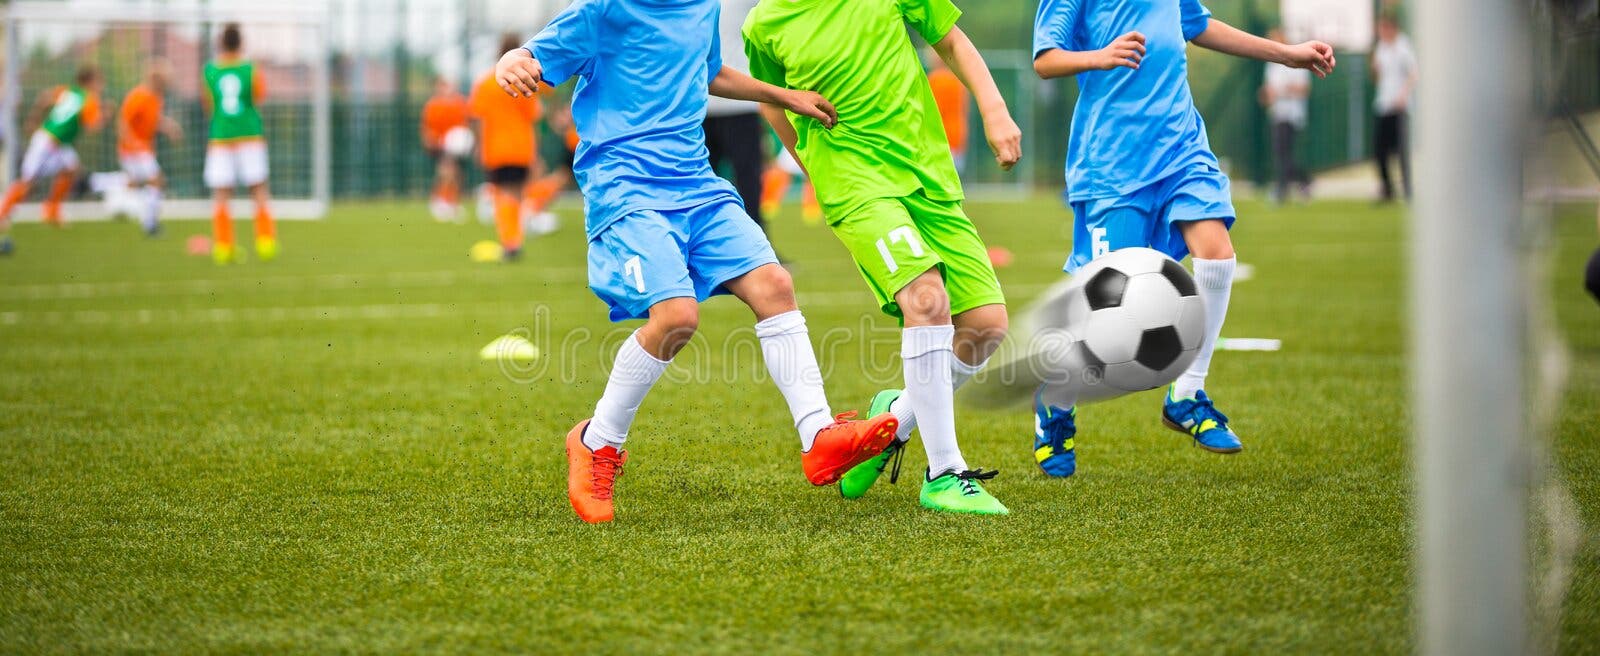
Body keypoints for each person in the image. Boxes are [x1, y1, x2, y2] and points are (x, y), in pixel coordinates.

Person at [495, 0, 899, 524]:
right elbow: (532, 54)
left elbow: (709, 73)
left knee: (775, 284)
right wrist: (511, 61)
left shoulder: (702, 7)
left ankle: (819, 436)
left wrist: (782, 96)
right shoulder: (604, 9)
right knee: (677, 317)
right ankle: (597, 442)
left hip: (697, 184)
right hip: (628, 189)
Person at [1030, 0, 1334, 474]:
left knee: (1216, 254)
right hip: (1112, 162)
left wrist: (1285, 54)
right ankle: (1057, 397)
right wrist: (1100, 55)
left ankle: (1188, 393)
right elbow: (1045, 59)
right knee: (1103, 309)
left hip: (1179, 147)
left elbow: (1199, 26)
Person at [745, 0, 1021, 514]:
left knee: (985, 325)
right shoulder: (763, 23)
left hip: (926, 173)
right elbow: (771, 100)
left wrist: (995, 111)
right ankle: (945, 474)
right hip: (855, 182)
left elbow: (952, 42)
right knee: (927, 297)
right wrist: (813, 168)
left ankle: (893, 418)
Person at [0, 65, 105, 253]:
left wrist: (33, 119)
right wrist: (107, 113)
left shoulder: (67, 91)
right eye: (98, 81)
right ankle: (2, 215)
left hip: (56, 142)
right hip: (48, 144)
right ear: (89, 81)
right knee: (28, 183)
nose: (100, 86)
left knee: (72, 169)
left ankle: (51, 211)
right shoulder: (90, 99)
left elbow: (44, 98)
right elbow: (94, 127)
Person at [203, 23, 276, 265]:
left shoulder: (210, 71)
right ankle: (265, 243)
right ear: (241, 43)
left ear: (220, 43)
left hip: (221, 136)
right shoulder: (250, 69)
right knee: (258, 189)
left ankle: (224, 247)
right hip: (249, 135)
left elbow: (208, 105)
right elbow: (258, 97)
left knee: (222, 194)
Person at [471, 34, 542, 261]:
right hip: (521, 146)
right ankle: (515, 240)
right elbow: (533, 117)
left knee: (502, 194)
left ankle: (510, 242)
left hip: (496, 147)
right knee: (517, 194)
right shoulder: (525, 80)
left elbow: (478, 118)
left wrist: (478, 146)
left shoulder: (486, 82)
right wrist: (535, 152)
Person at [704, 0, 771, 233]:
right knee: (697, 185)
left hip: (740, 103)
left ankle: (760, 247)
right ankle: (700, 248)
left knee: (749, 182)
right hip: (701, 104)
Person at [118, 60, 182, 237]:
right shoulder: (139, 96)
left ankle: (149, 222)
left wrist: (169, 127)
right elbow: (123, 123)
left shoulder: (156, 98)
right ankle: (150, 224)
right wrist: (133, 143)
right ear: (156, 80)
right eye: (165, 81)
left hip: (143, 150)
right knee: (155, 181)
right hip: (133, 151)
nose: (167, 84)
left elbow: (154, 120)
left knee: (139, 184)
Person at [1259, 26, 1311, 204]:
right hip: (1277, 113)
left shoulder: (1294, 61)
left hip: (1291, 114)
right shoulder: (1270, 65)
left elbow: (1303, 89)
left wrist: (1280, 92)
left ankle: (1285, 188)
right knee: (1281, 153)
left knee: (1285, 154)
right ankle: (1301, 182)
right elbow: (1269, 89)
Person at [1370, 13, 1415, 203]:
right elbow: (1378, 76)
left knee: (1401, 151)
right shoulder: (1381, 48)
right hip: (1383, 104)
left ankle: (1407, 190)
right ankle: (1387, 189)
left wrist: (1403, 95)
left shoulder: (1403, 46)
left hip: (1399, 106)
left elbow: (1413, 73)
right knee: (1380, 150)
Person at [420, 77, 471, 222]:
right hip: (440, 145)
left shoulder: (460, 102)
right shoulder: (433, 105)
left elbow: (465, 122)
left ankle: (451, 203)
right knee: (447, 172)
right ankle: (440, 201)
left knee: (457, 175)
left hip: (457, 146)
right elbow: (428, 127)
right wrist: (431, 141)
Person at [925, 48, 970, 172]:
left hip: (940, 138)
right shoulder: (958, 80)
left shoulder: (934, 80)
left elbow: (931, 113)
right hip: (958, 135)